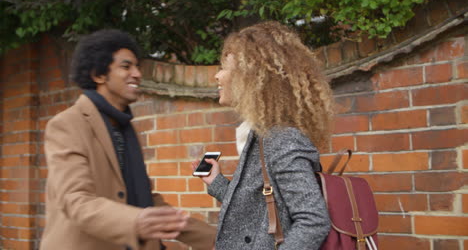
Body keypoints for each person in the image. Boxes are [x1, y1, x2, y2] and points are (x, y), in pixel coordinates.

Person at [40, 29, 216, 250]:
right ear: (98, 74)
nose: (137, 74)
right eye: (126, 66)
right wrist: (136, 221)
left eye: (137, 66)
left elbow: (146, 202)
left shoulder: (123, 127)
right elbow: (75, 200)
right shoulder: (67, 124)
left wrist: (215, 239)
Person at [193, 21, 333, 249]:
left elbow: (313, 221)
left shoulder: (282, 139)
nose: (218, 76)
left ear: (251, 77)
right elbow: (257, 212)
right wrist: (216, 183)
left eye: (225, 68)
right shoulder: (263, 135)